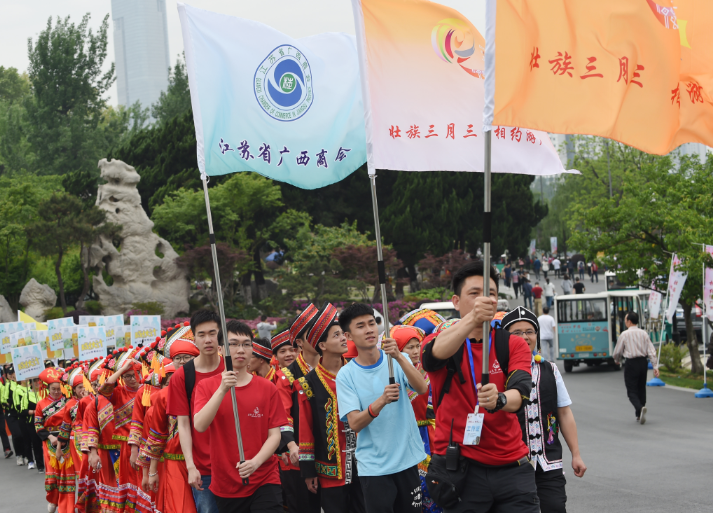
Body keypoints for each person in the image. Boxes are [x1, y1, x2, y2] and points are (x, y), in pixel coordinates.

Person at [421, 261, 537, 512]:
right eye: (474, 293)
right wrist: (473, 317)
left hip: (512, 468)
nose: (484, 299)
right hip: (460, 470)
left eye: (491, 294)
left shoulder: (512, 344)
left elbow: (521, 393)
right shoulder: (441, 341)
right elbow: (431, 358)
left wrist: (501, 400)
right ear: (456, 301)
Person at [336, 302, 429, 513]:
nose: (369, 329)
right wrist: (381, 401)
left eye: (372, 323)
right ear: (348, 336)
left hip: (407, 460)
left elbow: (422, 388)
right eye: (360, 326)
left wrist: (398, 356)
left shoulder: (398, 359)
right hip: (374, 468)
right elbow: (354, 423)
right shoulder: (346, 375)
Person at [193, 320, 287, 513]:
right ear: (221, 349)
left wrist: (256, 462)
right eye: (233, 344)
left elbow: (275, 435)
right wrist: (222, 389)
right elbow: (200, 425)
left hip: (264, 477)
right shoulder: (207, 387)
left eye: (246, 344)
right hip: (227, 483)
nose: (240, 349)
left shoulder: (267, 387)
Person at [501, 307, 587, 513]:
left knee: (555, 507)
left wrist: (576, 454)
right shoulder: (499, 372)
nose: (524, 337)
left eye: (530, 331)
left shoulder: (550, 369)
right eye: (517, 332)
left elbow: (564, 413)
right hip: (511, 463)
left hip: (549, 460)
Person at [298, 303, 365, 513]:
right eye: (336, 336)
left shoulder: (358, 371)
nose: (344, 338)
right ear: (323, 345)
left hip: (365, 461)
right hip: (330, 469)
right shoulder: (308, 383)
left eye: (343, 334)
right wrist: (308, 471)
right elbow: (306, 430)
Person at [167, 309, 226, 513]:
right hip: (204, 469)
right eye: (202, 334)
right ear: (194, 337)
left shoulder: (233, 368)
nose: (208, 339)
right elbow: (183, 424)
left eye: (212, 333)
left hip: (236, 465)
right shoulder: (183, 376)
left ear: (220, 334)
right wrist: (191, 466)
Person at [139, 325, 200, 513]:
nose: (182, 362)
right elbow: (157, 434)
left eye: (187, 358)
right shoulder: (162, 396)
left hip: (204, 461)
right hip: (175, 462)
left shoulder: (208, 387)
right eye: (177, 358)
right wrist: (152, 471)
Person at [388, 325, 441, 513]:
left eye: (417, 345)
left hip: (430, 434)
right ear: (399, 349)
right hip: (406, 433)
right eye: (409, 347)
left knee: (433, 482)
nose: (415, 351)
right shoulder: (392, 375)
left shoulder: (429, 371)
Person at [275, 305, 322, 513]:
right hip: (301, 455)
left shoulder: (340, 367)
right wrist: (293, 446)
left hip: (334, 454)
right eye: (311, 333)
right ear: (300, 344)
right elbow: (283, 418)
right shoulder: (286, 376)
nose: (318, 337)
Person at [35, 367, 73, 513]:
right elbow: (38, 425)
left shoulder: (68, 402)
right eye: (53, 389)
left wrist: (63, 437)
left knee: (66, 475)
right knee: (53, 476)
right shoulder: (41, 404)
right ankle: (53, 500)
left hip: (66, 440)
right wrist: (50, 437)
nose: (57, 392)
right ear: (48, 388)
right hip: (49, 441)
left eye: (59, 389)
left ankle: (67, 507)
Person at [612, 312, 659, 424]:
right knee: (641, 387)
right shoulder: (644, 334)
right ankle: (639, 413)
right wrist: (655, 366)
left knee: (631, 390)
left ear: (629, 321)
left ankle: (639, 407)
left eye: (625, 320)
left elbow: (618, 351)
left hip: (631, 363)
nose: (625, 322)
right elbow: (651, 350)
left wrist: (617, 360)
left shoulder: (624, 334)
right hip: (643, 362)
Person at [2, 365, 26, 467]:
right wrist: (10, 402)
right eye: (9, 374)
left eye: (13, 373)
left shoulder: (23, 384)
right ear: (6, 376)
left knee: (24, 434)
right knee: (17, 434)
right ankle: (19, 455)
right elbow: (3, 399)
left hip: (21, 413)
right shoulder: (7, 386)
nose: (12, 375)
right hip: (11, 414)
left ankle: (25, 455)